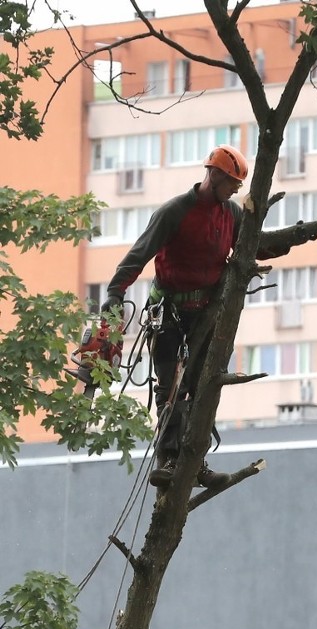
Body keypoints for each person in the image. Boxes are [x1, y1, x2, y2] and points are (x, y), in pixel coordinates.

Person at [101, 144, 249, 489]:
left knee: (204, 385)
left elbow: (248, 248)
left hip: (206, 312)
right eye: (231, 184)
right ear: (213, 175)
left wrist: (291, 239)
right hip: (168, 309)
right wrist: (114, 294)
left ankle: (195, 464)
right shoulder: (175, 212)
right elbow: (139, 254)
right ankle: (168, 459)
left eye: (238, 188)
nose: (234, 192)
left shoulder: (232, 214)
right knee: (170, 388)